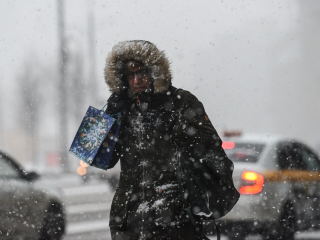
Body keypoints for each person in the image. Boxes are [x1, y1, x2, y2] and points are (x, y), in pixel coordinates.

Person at [104, 40, 229, 240]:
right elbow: (102, 159)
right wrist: (108, 119)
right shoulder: (122, 109)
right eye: (130, 74)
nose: (136, 80)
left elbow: (211, 148)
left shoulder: (181, 101)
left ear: (154, 72)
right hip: (127, 218)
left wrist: (181, 131)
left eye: (142, 72)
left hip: (173, 215)